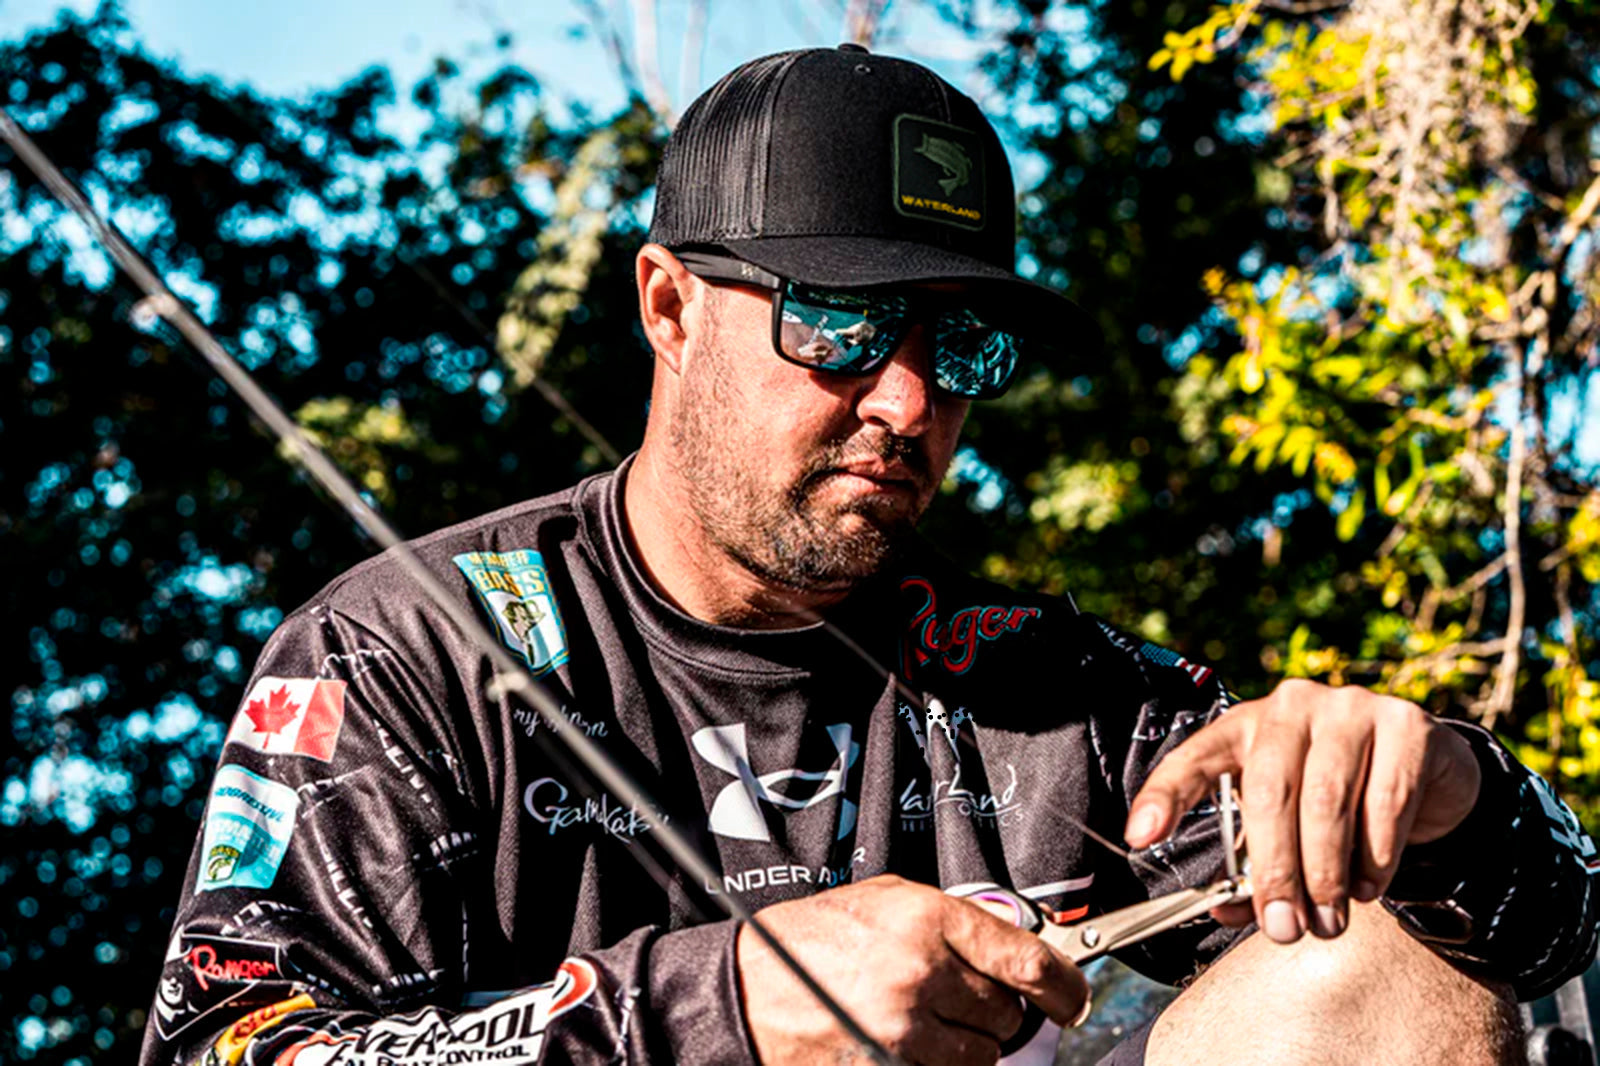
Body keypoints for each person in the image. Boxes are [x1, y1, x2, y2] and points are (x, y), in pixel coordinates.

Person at [142, 45, 1598, 1066]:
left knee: (1377, 952)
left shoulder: (1051, 696)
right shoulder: (404, 655)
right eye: (837, 321)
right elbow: (227, 1046)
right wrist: (724, 1008)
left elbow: (1567, 932)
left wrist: (1447, 793)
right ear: (668, 306)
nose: (906, 401)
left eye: (960, 346)